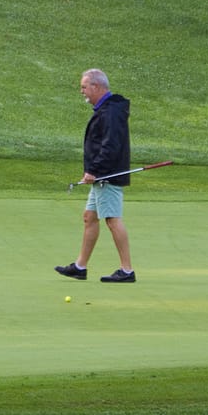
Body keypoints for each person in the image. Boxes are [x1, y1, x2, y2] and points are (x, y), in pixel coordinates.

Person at [56, 68, 136, 284]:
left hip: (107, 175)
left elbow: (110, 146)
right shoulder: (107, 109)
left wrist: (94, 170)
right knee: (89, 217)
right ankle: (80, 267)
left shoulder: (110, 112)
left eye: (84, 87)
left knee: (112, 220)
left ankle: (127, 270)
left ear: (96, 86)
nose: (82, 91)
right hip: (102, 175)